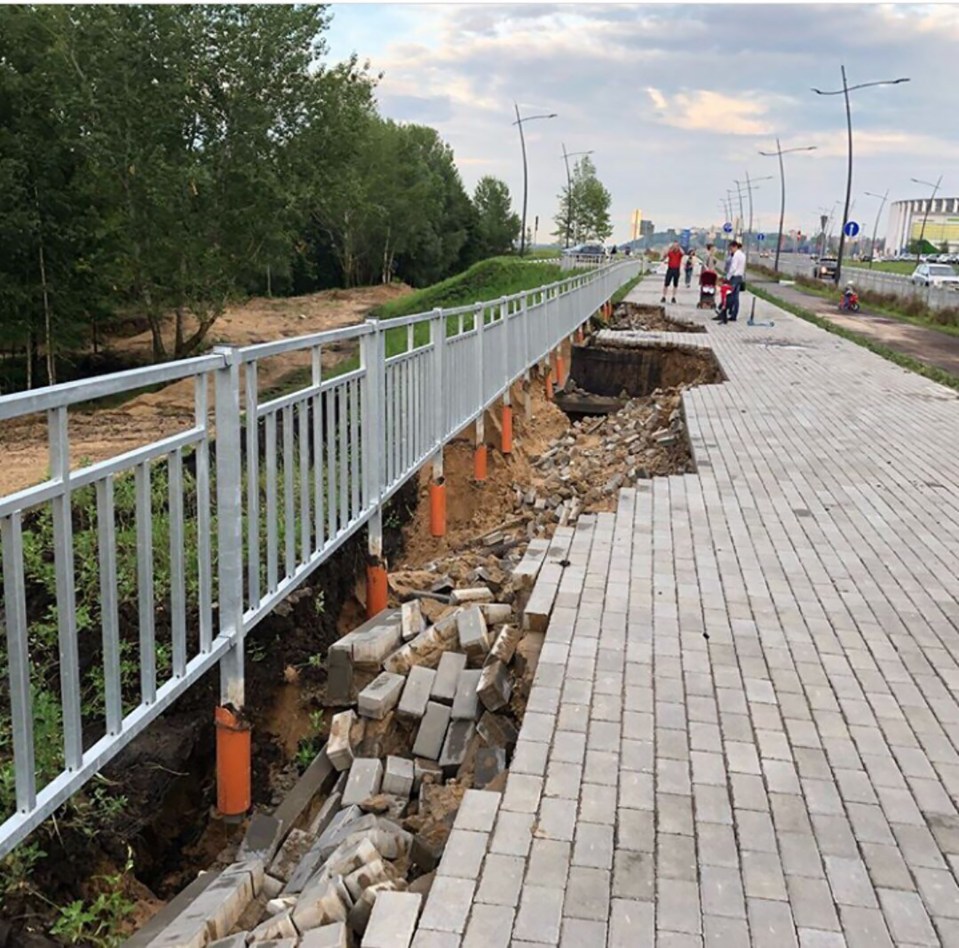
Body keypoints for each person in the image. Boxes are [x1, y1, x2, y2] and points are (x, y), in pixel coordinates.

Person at [721, 238, 746, 323]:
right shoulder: (743, 255)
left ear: (734, 247)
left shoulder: (735, 255)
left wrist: (727, 277)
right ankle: (734, 315)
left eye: (731, 248)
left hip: (734, 277)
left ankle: (724, 311)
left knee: (730, 295)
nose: (730, 250)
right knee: (736, 297)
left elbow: (733, 268)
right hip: (740, 277)